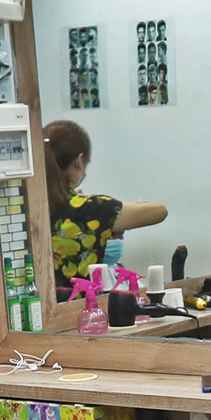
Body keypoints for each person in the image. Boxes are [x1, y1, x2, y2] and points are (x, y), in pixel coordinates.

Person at [42, 120, 165, 298]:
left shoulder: (33, 206)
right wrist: (134, 205)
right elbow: (160, 211)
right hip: (84, 306)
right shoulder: (93, 208)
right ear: (79, 161)